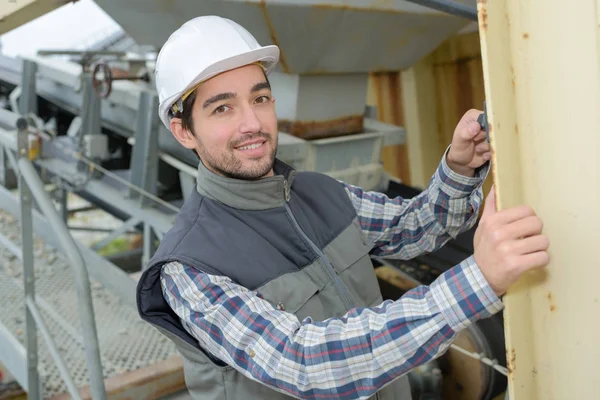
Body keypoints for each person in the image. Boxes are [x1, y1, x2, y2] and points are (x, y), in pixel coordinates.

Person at [136, 15, 550, 400]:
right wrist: (477, 280)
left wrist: (459, 168)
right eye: (222, 108)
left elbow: (416, 226)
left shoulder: (320, 193)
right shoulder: (189, 269)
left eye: (260, 98)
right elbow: (305, 363)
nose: (252, 123)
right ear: (183, 131)